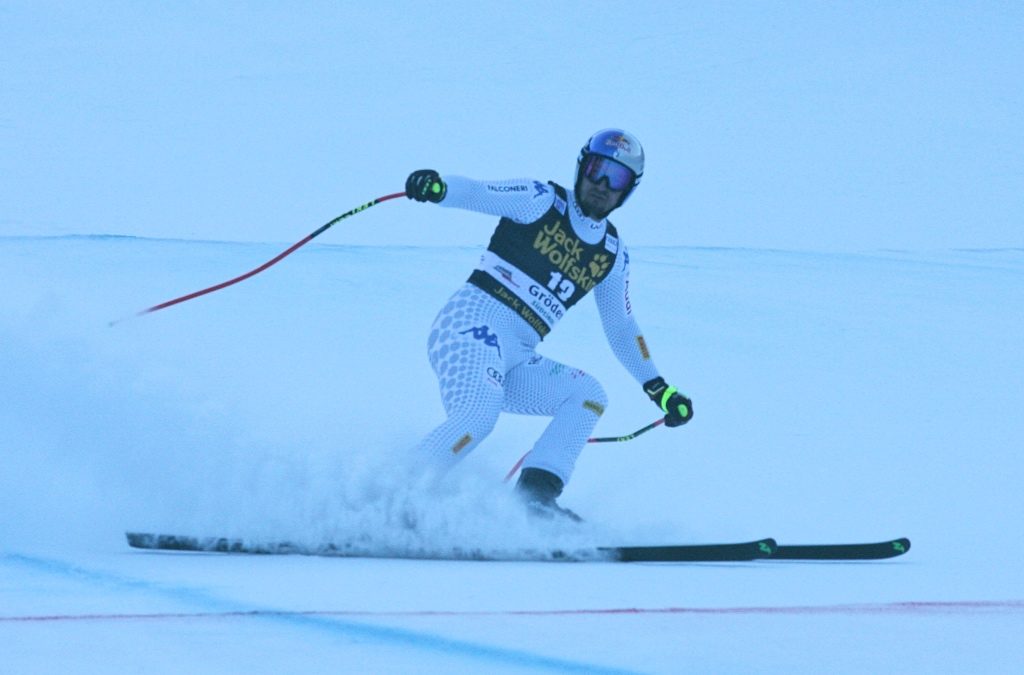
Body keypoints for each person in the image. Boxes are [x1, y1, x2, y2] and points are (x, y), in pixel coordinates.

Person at [405, 129, 692, 521]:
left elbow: (622, 326)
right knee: (478, 415)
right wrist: (438, 188)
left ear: (629, 190)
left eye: (617, 178)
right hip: (469, 325)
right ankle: (394, 495)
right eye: (596, 170)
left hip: (518, 354)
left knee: (588, 395)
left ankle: (534, 502)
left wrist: (658, 387)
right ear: (581, 167)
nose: (602, 185)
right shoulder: (540, 200)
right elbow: (478, 192)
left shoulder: (611, 253)